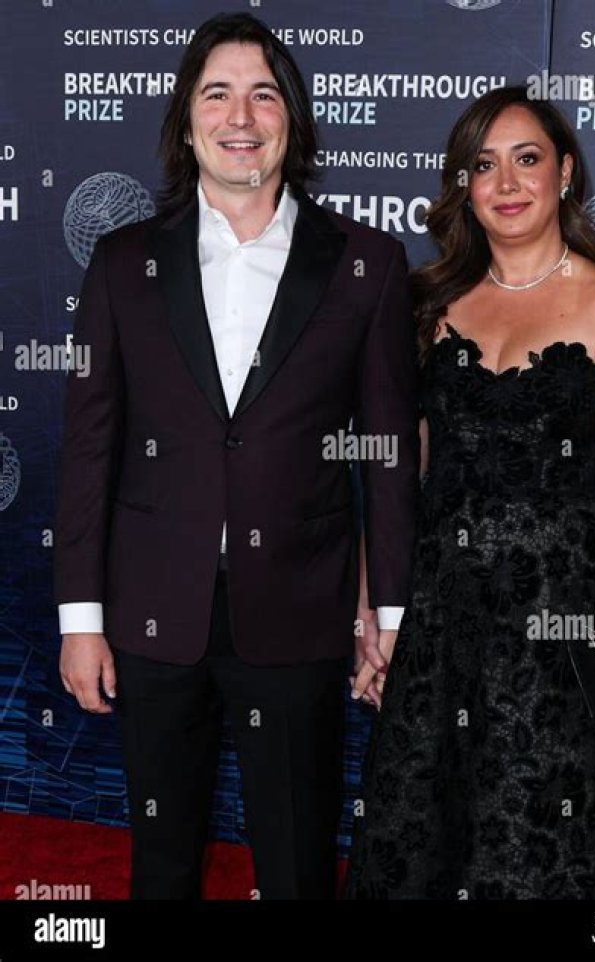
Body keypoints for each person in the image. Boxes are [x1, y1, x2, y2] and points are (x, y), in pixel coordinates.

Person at [53, 12, 419, 900]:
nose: (241, 117)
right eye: (217, 94)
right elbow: (89, 447)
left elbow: (387, 457)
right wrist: (80, 619)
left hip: (300, 611)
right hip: (151, 613)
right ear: (187, 122)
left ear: (292, 120)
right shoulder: (123, 263)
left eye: (264, 95)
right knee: (162, 862)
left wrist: (392, 615)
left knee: (297, 866)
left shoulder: (366, 263)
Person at [344, 86, 595, 899]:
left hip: (572, 622)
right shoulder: (429, 308)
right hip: (446, 618)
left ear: (565, 173)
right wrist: (372, 608)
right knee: (434, 830)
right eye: (484, 165)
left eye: (527, 159)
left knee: (552, 839)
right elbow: (404, 479)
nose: (506, 183)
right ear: (463, 186)